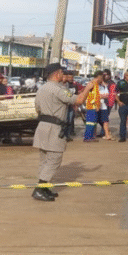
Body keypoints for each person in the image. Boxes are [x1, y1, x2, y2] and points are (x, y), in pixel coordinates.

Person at [32, 63, 99, 201]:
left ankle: (44, 188)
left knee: (45, 160)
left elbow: (37, 108)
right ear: (57, 74)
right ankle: (39, 189)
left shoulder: (42, 89)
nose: (64, 75)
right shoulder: (58, 89)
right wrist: (88, 88)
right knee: (54, 159)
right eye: (62, 73)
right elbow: (79, 100)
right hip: (54, 128)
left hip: (43, 126)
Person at [97, 69, 115, 140]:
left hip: (108, 104)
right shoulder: (100, 82)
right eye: (103, 75)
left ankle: (105, 133)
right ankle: (104, 132)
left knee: (105, 119)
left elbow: (112, 94)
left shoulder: (111, 83)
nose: (105, 76)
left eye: (106, 74)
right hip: (100, 103)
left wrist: (110, 103)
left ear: (109, 75)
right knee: (100, 119)